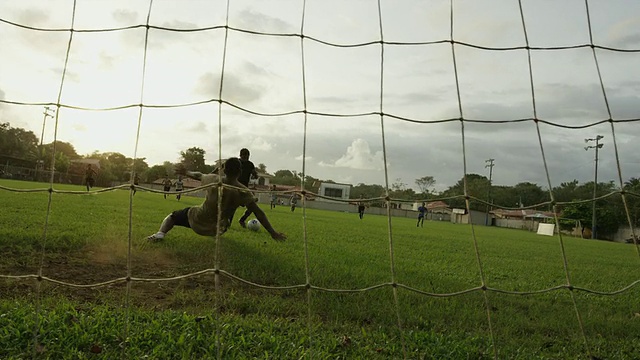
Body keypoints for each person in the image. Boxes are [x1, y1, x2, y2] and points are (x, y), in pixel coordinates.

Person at [147, 157, 286, 242]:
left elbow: (198, 174)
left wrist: (186, 172)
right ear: (239, 172)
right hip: (219, 229)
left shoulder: (214, 179)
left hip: (198, 220)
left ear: (224, 170)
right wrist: (273, 233)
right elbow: (259, 212)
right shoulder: (244, 191)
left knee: (172, 216)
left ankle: (160, 234)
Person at [235, 148, 259, 228]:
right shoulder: (236, 162)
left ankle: (242, 220)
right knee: (232, 206)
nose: (246, 158)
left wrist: (255, 175)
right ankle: (227, 222)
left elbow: (254, 174)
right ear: (241, 155)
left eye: (247, 156)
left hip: (245, 188)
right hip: (235, 187)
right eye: (244, 156)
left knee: (252, 206)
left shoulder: (250, 164)